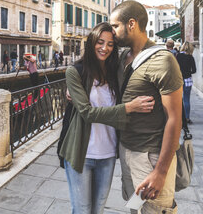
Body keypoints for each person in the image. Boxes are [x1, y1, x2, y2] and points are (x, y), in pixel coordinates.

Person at [60, 22, 155, 214]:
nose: (105, 48)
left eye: (110, 44)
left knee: (98, 210)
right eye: (100, 42)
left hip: (108, 154)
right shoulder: (75, 72)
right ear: (92, 42)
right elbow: (87, 113)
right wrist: (128, 108)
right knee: (82, 210)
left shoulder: (115, 73)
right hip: (81, 153)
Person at [110, 0, 183, 213]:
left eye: (115, 27)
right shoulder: (123, 57)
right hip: (126, 150)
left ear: (131, 24)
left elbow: (174, 119)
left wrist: (160, 171)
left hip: (150, 156)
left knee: (153, 209)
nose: (111, 32)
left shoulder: (163, 61)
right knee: (136, 208)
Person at [176, 41, 196, 124]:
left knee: (178, 99)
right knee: (186, 99)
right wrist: (188, 73)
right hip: (187, 80)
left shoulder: (178, 56)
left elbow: (175, 67)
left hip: (179, 79)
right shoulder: (190, 57)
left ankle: (179, 118)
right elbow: (194, 70)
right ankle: (187, 118)